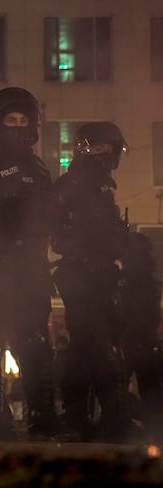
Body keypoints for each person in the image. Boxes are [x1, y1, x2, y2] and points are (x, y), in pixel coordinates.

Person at [0, 87, 60, 440]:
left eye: (24, 120)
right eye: (10, 120)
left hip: (30, 271)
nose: (18, 127)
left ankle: (44, 419)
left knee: (34, 345)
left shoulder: (39, 167)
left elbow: (48, 218)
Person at [51, 121, 131, 442]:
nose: (105, 155)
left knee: (89, 348)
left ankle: (86, 419)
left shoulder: (98, 185)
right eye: (98, 148)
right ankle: (103, 418)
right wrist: (87, 254)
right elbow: (60, 234)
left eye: (108, 149)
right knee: (93, 347)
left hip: (96, 274)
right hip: (82, 275)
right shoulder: (74, 184)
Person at [119, 232, 163, 432]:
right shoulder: (148, 280)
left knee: (126, 386)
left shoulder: (135, 282)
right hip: (144, 341)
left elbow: (137, 313)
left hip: (135, 341)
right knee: (150, 389)